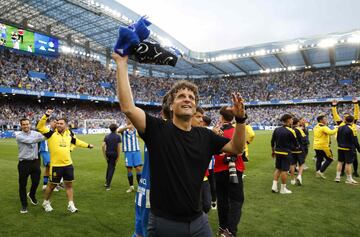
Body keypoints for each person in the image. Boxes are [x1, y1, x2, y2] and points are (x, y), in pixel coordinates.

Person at [112, 53, 246, 237]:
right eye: (181, 96)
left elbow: (237, 148)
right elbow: (128, 107)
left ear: (195, 106)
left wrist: (240, 120)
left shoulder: (206, 136)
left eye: (191, 97)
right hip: (164, 224)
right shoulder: (157, 129)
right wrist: (121, 62)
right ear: (172, 106)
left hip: (199, 221)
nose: (187, 99)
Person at [36, 109, 94, 213]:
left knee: (69, 185)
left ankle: (71, 204)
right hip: (56, 166)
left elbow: (77, 142)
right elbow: (39, 127)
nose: (58, 125)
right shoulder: (51, 134)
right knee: (52, 185)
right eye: (57, 123)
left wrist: (88, 145)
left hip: (68, 164)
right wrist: (46, 115)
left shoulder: (69, 134)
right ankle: (46, 202)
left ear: (66, 125)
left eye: (61, 123)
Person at [133, 94, 171, 237]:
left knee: (140, 232)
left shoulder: (153, 130)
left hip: (145, 193)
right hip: (154, 196)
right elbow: (129, 109)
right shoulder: (157, 129)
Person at [214, 106, 246, 237]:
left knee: (222, 200)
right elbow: (241, 150)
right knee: (236, 201)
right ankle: (230, 231)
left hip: (218, 169)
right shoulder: (237, 131)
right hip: (234, 169)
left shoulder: (215, 131)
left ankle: (222, 228)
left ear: (221, 117)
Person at [16, 118, 46, 214]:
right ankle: (24, 205)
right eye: (23, 124)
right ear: (21, 126)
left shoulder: (35, 133)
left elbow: (43, 136)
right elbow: (30, 141)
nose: (26, 126)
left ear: (30, 124)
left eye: (27, 124)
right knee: (22, 185)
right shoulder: (19, 135)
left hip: (35, 162)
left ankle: (32, 194)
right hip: (24, 163)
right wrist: (45, 135)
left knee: (36, 182)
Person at [191, 107, 211, 214]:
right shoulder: (184, 134)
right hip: (192, 179)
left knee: (207, 204)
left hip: (204, 177)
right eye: (198, 117)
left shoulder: (204, 133)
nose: (201, 120)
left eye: (202, 117)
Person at [271, 114, 298, 194]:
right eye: (291, 119)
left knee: (278, 169)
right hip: (286, 153)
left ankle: (274, 186)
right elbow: (296, 144)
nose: (292, 120)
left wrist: (273, 151)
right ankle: (283, 189)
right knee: (284, 170)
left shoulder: (276, 129)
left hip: (277, 152)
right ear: (288, 120)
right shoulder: (291, 131)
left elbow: (272, 142)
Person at [332, 98, 359, 177]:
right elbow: (335, 115)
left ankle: (355, 171)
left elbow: (357, 113)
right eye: (344, 117)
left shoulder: (353, 122)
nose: (345, 118)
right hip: (342, 143)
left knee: (354, 159)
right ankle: (343, 172)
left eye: (346, 117)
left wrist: (356, 104)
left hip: (351, 144)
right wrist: (334, 106)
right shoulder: (340, 123)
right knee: (343, 159)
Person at [117, 119, 142, 193]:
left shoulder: (136, 127)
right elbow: (118, 131)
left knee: (138, 168)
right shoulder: (123, 127)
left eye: (131, 118)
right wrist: (127, 127)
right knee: (129, 169)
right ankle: (131, 187)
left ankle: (140, 187)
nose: (130, 119)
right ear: (126, 119)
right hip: (128, 152)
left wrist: (133, 126)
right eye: (128, 118)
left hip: (136, 151)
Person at [334, 115, 360, 184]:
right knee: (348, 164)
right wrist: (359, 149)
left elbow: (337, 137)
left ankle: (337, 177)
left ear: (345, 120)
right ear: (353, 121)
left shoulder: (339, 128)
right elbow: (355, 141)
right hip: (348, 148)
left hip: (340, 147)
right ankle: (349, 179)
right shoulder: (352, 129)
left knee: (340, 162)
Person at [313, 115, 337, 179]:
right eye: (325, 119)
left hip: (316, 146)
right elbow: (331, 132)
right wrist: (337, 128)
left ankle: (317, 172)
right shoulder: (323, 127)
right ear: (321, 120)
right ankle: (321, 171)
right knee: (330, 159)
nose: (326, 120)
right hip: (323, 146)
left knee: (319, 159)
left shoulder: (316, 126)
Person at [102, 123, 122, 191]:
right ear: (116, 129)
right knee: (112, 169)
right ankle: (108, 185)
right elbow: (118, 148)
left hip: (108, 154)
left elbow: (103, 146)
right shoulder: (118, 136)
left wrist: (105, 155)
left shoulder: (106, 136)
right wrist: (118, 157)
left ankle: (106, 182)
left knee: (109, 167)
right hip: (114, 154)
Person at [290, 118, 307, 186]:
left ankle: (292, 179)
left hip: (291, 149)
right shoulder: (299, 129)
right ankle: (299, 176)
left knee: (292, 164)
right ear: (297, 123)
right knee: (301, 163)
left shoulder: (290, 129)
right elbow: (304, 139)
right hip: (300, 149)